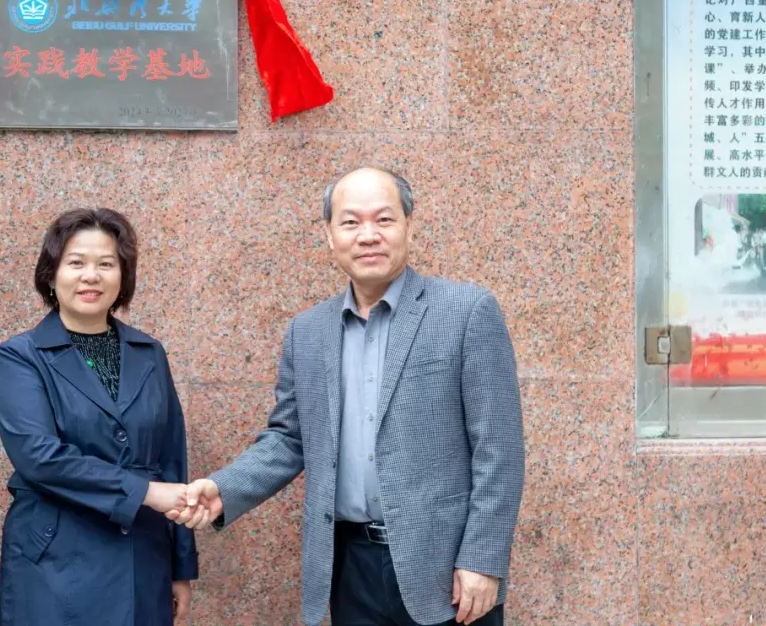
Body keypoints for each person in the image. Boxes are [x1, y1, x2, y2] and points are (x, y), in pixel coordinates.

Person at [168, 168, 525, 626]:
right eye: (351, 222)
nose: (368, 235)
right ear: (330, 235)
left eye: (384, 219)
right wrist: (224, 489)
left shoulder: (466, 312)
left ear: (409, 225)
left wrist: (481, 558)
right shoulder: (307, 331)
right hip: (348, 567)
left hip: (447, 573)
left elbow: (499, 449)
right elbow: (289, 439)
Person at [0, 208, 196, 626]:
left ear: (123, 277)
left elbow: (172, 458)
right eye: (76, 263)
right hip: (56, 561)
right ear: (52, 276)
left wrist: (181, 566)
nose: (91, 276)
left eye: (106, 264)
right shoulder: (22, 355)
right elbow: (39, 458)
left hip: (142, 556)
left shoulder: (149, 353)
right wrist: (145, 491)